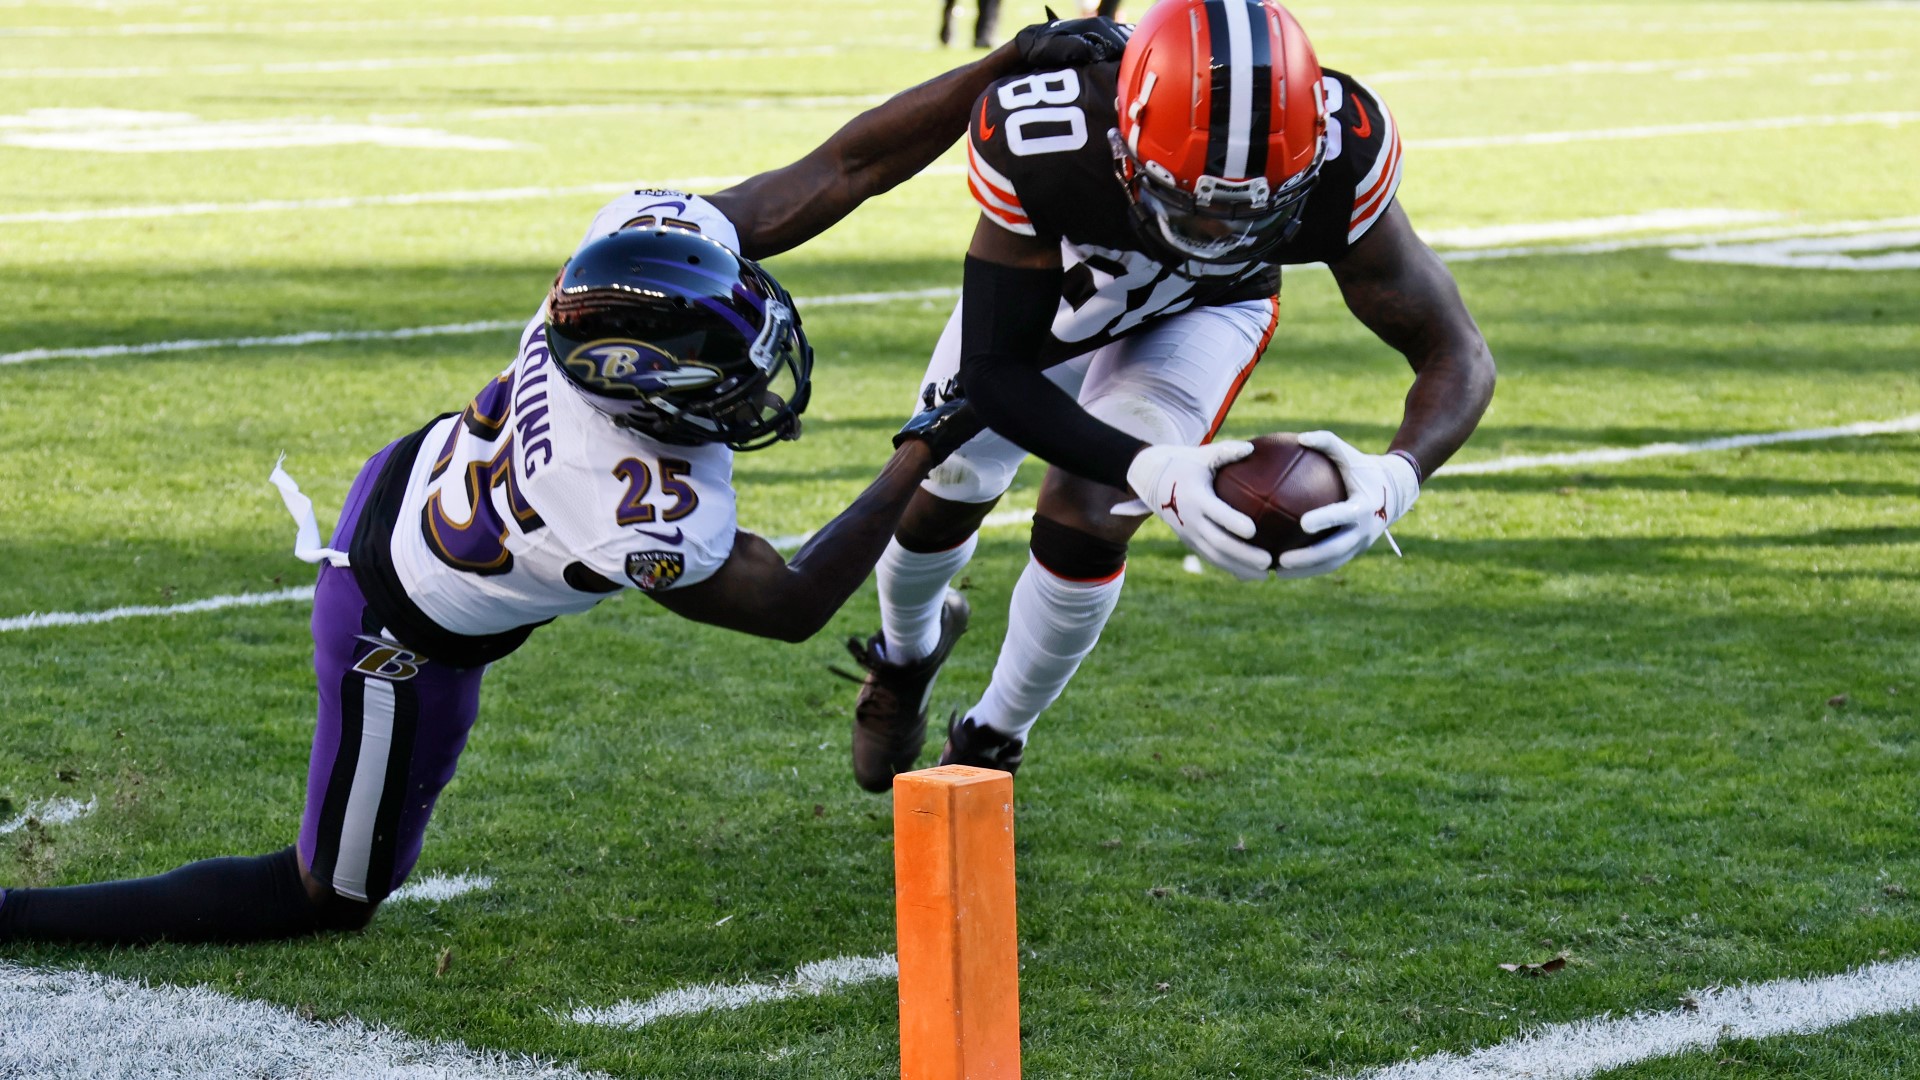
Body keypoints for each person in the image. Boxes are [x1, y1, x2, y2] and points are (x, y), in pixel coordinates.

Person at [0, 16, 1129, 946]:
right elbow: (788, 606)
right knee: (328, 897)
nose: (754, 388)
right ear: (651, 406)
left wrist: (996, 70)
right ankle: (14, 916)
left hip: (423, 477)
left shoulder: (617, 280)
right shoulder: (627, 495)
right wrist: (926, 443)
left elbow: (840, 171)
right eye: (723, 380)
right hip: (400, 625)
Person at [843, 0, 1497, 791]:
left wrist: (1399, 475)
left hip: (1210, 311)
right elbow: (995, 373)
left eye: (1248, 210)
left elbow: (1455, 352)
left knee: (1091, 513)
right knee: (945, 484)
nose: (1216, 232)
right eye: (1193, 203)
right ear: (1122, 138)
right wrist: (1152, 467)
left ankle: (993, 735)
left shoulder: (1343, 154)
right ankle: (904, 655)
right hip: (1064, 285)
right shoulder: (1052, 137)